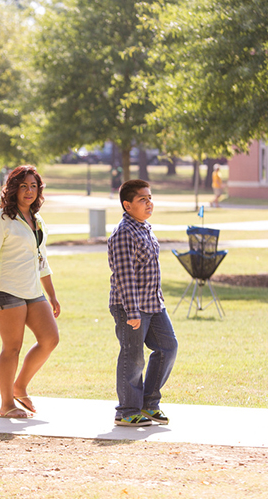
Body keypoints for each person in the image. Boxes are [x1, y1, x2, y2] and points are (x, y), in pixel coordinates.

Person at [0, 165, 60, 419]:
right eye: (23, 186)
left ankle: (20, 386)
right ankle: (6, 404)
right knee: (12, 347)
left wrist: (51, 295)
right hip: (5, 289)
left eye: (33, 186)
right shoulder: (0, 221)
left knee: (50, 339)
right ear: (13, 189)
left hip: (32, 290)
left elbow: (43, 261)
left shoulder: (37, 220)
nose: (29, 191)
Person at [107, 179, 178, 427]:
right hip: (131, 306)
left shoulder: (144, 227)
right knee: (133, 356)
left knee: (168, 347)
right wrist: (132, 312)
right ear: (127, 205)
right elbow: (125, 277)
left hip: (153, 304)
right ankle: (126, 411)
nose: (149, 203)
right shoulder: (124, 233)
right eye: (142, 199)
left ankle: (149, 404)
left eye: (150, 198)